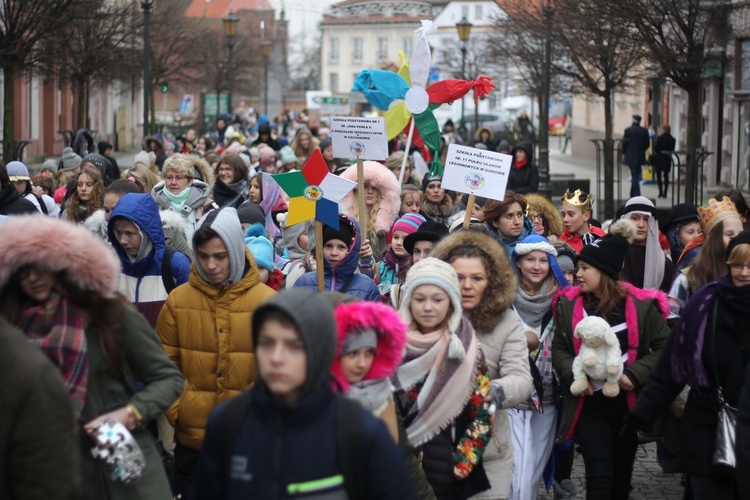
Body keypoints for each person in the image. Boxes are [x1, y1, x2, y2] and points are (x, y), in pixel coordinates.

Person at [0, 216, 184, 499]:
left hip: (126, 463)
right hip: (58, 470)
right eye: (24, 271)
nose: (33, 278)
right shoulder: (13, 331)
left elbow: (169, 378)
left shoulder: (108, 314)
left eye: (40, 267)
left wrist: (130, 413)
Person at [191, 289, 418, 499]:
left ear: (319, 350)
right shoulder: (228, 422)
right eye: (267, 343)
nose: (276, 358)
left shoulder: (359, 429)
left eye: (294, 345)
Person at [156, 207, 276, 498]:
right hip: (194, 445)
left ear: (235, 251)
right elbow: (162, 367)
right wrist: (181, 413)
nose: (210, 265)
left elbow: (279, 373)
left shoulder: (269, 304)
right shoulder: (178, 301)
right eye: (204, 255)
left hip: (251, 444)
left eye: (219, 256)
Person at [551, 219, 670, 500]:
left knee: (620, 482)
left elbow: (666, 345)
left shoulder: (640, 306)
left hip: (627, 405)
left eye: (584, 268)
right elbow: (559, 348)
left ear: (604, 272)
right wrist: (576, 375)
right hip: (589, 405)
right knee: (599, 480)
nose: (577, 274)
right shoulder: (569, 305)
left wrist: (635, 374)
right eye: (578, 268)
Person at [627, 231, 750, 499]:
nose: (744, 272)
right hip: (708, 425)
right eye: (738, 264)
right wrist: (639, 416)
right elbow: (671, 368)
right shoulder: (705, 305)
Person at [431, 230, 533, 499]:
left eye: (477, 278)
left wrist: (488, 392)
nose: (467, 285)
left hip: (488, 452)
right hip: (431, 453)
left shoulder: (506, 322)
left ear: (492, 281)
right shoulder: (424, 316)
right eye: (458, 277)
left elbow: (521, 379)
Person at [393, 258, 493, 498]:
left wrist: (460, 464)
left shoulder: (466, 350)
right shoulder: (391, 347)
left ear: (451, 303)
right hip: (397, 470)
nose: (428, 307)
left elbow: (483, 411)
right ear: (408, 302)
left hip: (447, 475)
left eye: (437, 299)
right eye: (419, 299)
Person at [509, 235, 570, 500]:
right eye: (530, 259)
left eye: (543, 261)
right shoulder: (503, 297)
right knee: (515, 465)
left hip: (547, 394)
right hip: (512, 395)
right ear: (518, 262)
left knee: (534, 465)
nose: (536, 266)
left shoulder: (563, 300)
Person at [0, 316, 83, 500]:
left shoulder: (32, 369)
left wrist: (130, 412)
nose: (35, 284)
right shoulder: (14, 317)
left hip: (106, 451)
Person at [109, 193, 192, 326]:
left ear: (147, 232)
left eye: (130, 233)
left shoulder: (176, 265)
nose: (123, 240)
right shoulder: (112, 265)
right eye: (119, 232)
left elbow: (188, 321)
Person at [669, 196, 743, 315]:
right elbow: (671, 321)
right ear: (712, 239)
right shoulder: (688, 280)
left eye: (741, 234)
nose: (738, 240)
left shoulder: (745, 275)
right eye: (730, 235)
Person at [294, 214, 381, 302]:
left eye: (341, 247)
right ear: (321, 247)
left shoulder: (367, 287)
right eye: (328, 246)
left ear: (351, 250)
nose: (334, 253)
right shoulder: (303, 282)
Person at [339, 160, 401, 263]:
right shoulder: (345, 219)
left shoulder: (391, 220)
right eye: (365, 187)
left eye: (375, 188)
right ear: (356, 189)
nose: (370, 192)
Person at [619, 197, 674, 292]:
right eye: (635, 218)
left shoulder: (664, 264)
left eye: (646, 219)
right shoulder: (614, 255)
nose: (641, 224)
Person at [152, 154, 213, 238]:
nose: (173, 182)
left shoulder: (207, 206)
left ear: (190, 181)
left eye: (179, 178)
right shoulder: (154, 204)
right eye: (169, 177)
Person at [375, 213, 426, 299]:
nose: (398, 243)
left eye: (405, 239)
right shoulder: (380, 267)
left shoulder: (420, 269)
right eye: (396, 237)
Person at [483, 191, 535, 256]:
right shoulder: (482, 248)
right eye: (509, 216)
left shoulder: (538, 245)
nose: (517, 222)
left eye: (519, 215)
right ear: (495, 222)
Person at [559, 189, 606, 253]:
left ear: (586, 216)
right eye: (563, 215)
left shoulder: (600, 236)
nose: (565, 219)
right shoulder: (562, 243)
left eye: (571, 214)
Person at [248, 172, 286, 240]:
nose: (251, 190)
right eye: (250, 186)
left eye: (256, 187)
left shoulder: (281, 213)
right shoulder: (245, 208)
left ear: (268, 190)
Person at [622, 115, 650, 198]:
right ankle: (633, 193)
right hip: (640, 156)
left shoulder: (628, 130)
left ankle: (637, 194)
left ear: (633, 120)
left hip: (630, 156)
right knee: (636, 174)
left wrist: (625, 152)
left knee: (635, 175)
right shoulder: (644, 131)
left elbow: (624, 143)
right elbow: (647, 144)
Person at [653, 124, 676, 199]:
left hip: (659, 158)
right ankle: (665, 192)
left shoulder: (660, 138)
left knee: (659, 175)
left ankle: (660, 192)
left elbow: (656, 149)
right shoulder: (673, 139)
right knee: (666, 176)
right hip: (667, 159)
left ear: (663, 130)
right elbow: (672, 149)